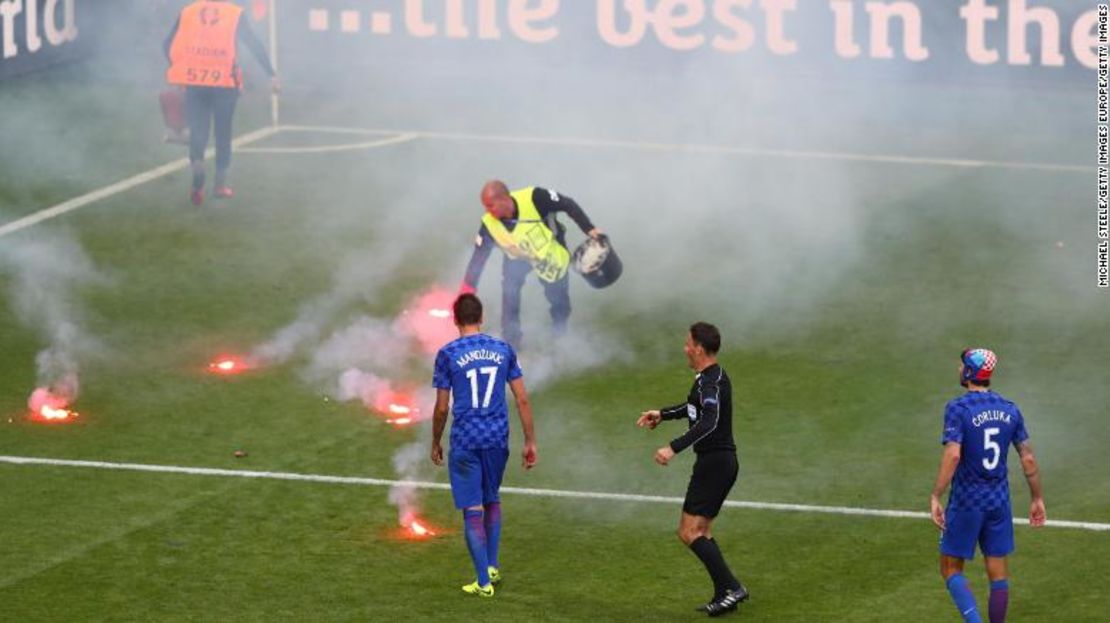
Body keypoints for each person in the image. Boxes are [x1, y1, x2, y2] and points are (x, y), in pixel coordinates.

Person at [637, 322, 749, 617]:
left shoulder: (710, 382)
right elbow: (694, 409)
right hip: (720, 463)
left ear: (699, 348)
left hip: (714, 464)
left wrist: (672, 448)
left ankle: (733, 587)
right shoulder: (710, 378)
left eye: (688, 344)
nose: (685, 348)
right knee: (702, 530)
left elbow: (709, 421)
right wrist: (662, 414)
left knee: (688, 531)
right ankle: (725, 592)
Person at [431, 293, 538, 597]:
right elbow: (522, 398)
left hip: (465, 440)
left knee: (472, 509)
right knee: (491, 498)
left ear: (455, 319)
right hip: (496, 438)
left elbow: (441, 408)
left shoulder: (447, 353)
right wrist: (530, 440)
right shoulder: (503, 349)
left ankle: (483, 582)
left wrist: (436, 441)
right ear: (481, 317)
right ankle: (492, 565)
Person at [929, 348, 1046, 623]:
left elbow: (953, 454)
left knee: (950, 568)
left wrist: (936, 495)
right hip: (999, 501)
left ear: (970, 372)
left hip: (967, 501)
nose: (959, 369)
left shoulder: (958, 408)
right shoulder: (1010, 408)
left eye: (962, 366)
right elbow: (1027, 458)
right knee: (998, 574)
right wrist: (1036, 497)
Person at [460, 180, 604, 349]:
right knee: (509, 296)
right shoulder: (489, 223)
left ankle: (559, 333)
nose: (487, 211)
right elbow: (479, 256)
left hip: (549, 255)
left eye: (490, 205)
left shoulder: (535, 197)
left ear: (504, 199)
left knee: (558, 298)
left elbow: (567, 204)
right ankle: (511, 342)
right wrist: (468, 288)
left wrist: (590, 229)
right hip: (518, 257)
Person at [164, 0, 279, 206]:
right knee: (223, 132)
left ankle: (197, 170)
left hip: (194, 80)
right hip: (224, 82)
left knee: (199, 129)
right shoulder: (233, 13)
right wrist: (271, 73)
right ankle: (220, 185)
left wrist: (180, 71)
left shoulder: (189, 11)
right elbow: (253, 43)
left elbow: (167, 45)